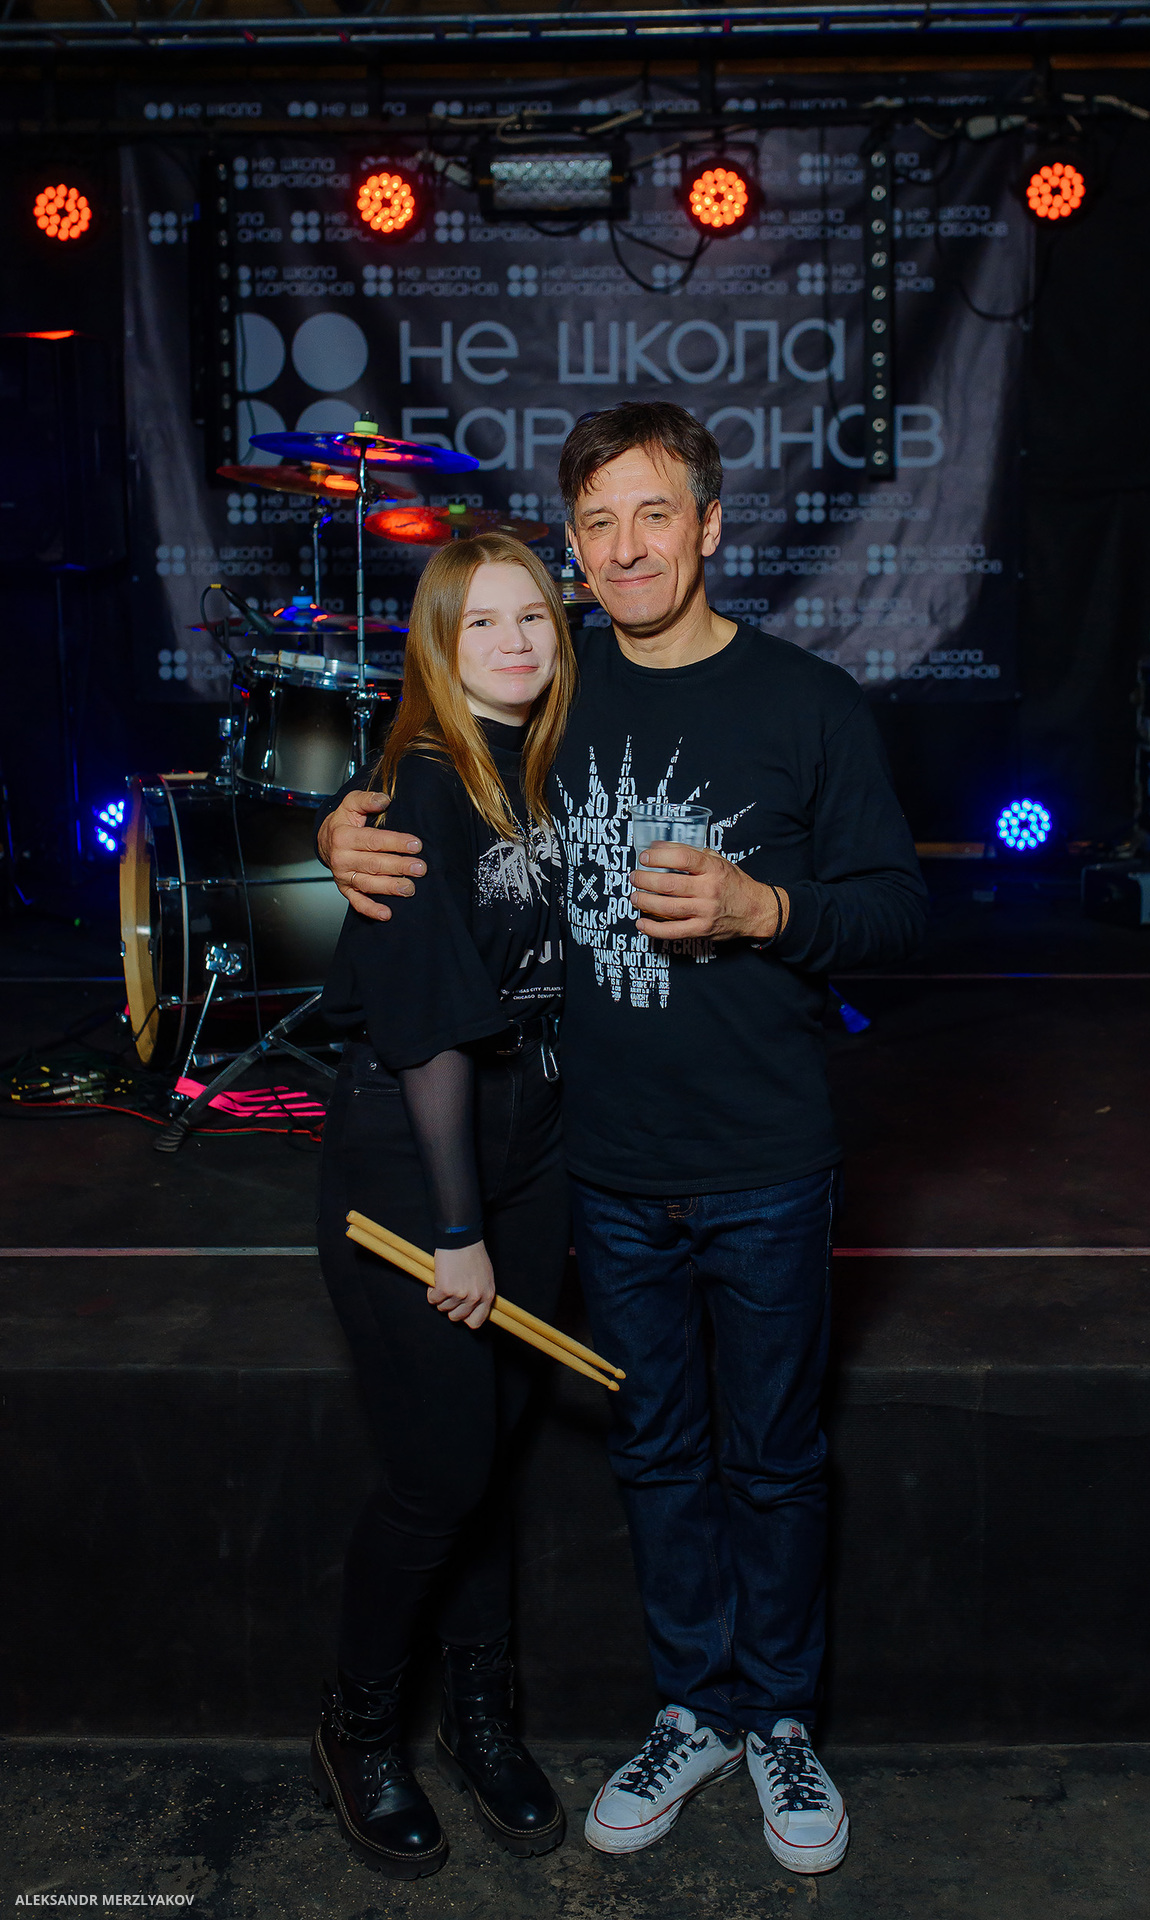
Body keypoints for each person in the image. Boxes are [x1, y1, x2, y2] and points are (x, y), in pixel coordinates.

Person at [317, 402, 929, 1877]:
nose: (625, 547)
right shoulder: (552, 687)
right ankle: (693, 1705)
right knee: (653, 1451)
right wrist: (342, 828)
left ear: (709, 527)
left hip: (766, 1158)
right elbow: (436, 760)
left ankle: (779, 1718)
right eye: (595, 523)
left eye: (654, 514)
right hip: (597, 1165)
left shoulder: (809, 703)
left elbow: (899, 915)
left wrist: (764, 909)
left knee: (773, 1459)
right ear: (573, 549)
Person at [311, 532, 576, 1880]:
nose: (515, 643)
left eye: (534, 617)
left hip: (528, 1154)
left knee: (491, 1461)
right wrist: (458, 1231)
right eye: (482, 624)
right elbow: (422, 1035)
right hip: (417, 1169)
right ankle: (357, 1729)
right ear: (438, 645)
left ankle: (479, 1718)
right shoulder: (424, 783)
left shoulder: (541, 762)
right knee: (438, 1479)